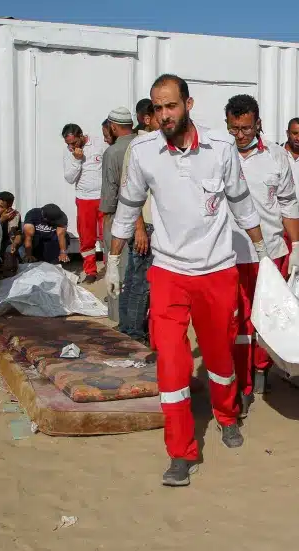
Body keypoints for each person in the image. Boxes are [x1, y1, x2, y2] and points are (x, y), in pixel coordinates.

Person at [106, 74, 266, 487]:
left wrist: (261, 247)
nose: (164, 115)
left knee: (219, 357)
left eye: (171, 106)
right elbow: (128, 205)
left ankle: (227, 415)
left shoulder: (221, 147)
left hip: (217, 271)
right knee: (172, 365)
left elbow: (240, 201)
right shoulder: (143, 152)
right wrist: (113, 257)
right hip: (169, 273)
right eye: (157, 108)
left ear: (188, 104)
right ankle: (180, 451)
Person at [224, 94, 299, 417]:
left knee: (267, 317)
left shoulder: (276, 157)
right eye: (234, 128)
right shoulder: (219, 154)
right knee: (238, 322)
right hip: (228, 255)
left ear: (258, 124)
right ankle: (242, 385)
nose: (240, 135)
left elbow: (288, 203)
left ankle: (261, 369)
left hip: (270, 253)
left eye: (246, 128)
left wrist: (297, 246)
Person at [118, 102, 160, 345]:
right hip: (145, 223)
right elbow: (131, 191)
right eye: (159, 113)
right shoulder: (142, 147)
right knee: (141, 283)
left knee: (134, 279)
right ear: (147, 118)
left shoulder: (146, 144)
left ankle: (127, 326)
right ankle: (134, 332)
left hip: (144, 223)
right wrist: (140, 227)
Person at [100, 107, 136, 310]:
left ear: (113, 127)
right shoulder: (145, 144)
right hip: (147, 218)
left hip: (120, 217)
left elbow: (110, 192)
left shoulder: (112, 152)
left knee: (118, 268)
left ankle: (120, 315)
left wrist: (107, 218)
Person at [62, 123, 105, 283]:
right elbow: (69, 178)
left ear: (81, 136)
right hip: (84, 199)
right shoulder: (69, 152)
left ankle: (111, 267)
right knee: (87, 237)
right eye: (68, 144)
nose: (72, 147)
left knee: (106, 235)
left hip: (103, 197)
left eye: (74, 143)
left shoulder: (99, 143)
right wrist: (77, 160)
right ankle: (90, 271)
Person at [0, 191, 21, 278]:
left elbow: (18, 234)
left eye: (1, 207)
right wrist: (1, 220)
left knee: (10, 252)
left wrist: (14, 244)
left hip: (5, 243)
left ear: (9, 208)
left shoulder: (15, 215)